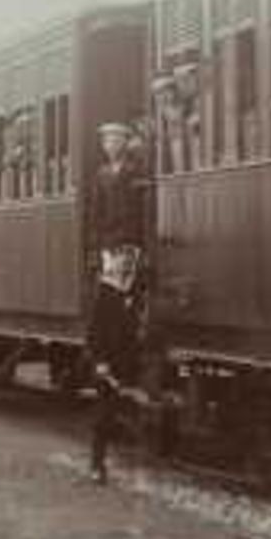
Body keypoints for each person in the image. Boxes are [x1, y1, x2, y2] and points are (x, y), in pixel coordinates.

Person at [86, 119, 148, 483]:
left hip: (127, 241)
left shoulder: (134, 172)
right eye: (107, 139)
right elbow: (95, 214)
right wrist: (102, 363)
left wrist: (131, 250)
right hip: (108, 362)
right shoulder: (100, 176)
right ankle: (97, 464)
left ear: (126, 143)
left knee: (113, 408)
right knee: (103, 409)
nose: (111, 144)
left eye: (117, 139)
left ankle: (108, 459)